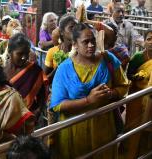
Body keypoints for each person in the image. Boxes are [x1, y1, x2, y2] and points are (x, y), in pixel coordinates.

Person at [49, 23, 129, 159]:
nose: (91, 45)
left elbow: (123, 86)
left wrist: (111, 94)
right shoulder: (64, 69)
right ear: (75, 44)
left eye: (93, 41)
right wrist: (88, 100)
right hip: (74, 131)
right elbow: (58, 105)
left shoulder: (108, 59)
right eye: (86, 42)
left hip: (103, 128)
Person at [4, 33, 47, 120]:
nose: (24, 57)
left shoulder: (35, 70)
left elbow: (42, 94)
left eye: (26, 53)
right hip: (5, 117)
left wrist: (38, 111)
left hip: (28, 117)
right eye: (20, 54)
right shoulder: (1, 69)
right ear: (9, 52)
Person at [124, 29, 152, 159]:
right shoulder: (138, 57)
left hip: (150, 97)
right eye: (149, 39)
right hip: (137, 94)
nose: (151, 42)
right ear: (144, 41)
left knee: (147, 125)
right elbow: (128, 75)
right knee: (134, 125)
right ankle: (131, 152)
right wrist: (136, 77)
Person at [44, 15, 77, 83]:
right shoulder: (52, 52)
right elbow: (44, 79)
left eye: (77, 27)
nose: (75, 30)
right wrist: (59, 68)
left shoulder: (81, 51)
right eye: (71, 27)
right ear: (62, 32)